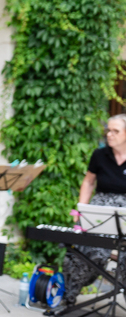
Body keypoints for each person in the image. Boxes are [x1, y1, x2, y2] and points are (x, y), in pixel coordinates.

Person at [64, 114, 126, 304]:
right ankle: (69, 293)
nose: (109, 134)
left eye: (115, 131)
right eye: (108, 130)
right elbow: (89, 182)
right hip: (101, 209)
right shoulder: (100, 155)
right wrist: (81, 211)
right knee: (84, 248)